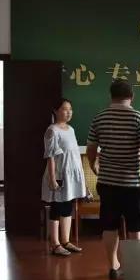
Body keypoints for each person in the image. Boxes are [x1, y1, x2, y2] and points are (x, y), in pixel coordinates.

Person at [86, 80, 140, 280]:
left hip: (107, 182)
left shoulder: (99, 117)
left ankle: (113, 266)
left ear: (111, 95)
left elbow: (91, 147)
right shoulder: (138, 117)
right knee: (137, 227)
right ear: (131, 96)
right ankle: (136, 269)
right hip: (131, 183)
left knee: (109, 226)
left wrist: (93, 164)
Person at [41, 99, 87, 256]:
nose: (69, 112)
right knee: (57, 208)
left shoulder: (71, 129)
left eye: (70, 109)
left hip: (71, 175)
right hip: (59, 174)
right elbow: (50, 156)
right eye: (65, 109)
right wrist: (52, 178)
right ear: (56, 111)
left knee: (67, 207)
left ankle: (66, 241)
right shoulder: (52, 130)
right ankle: (55, 244)